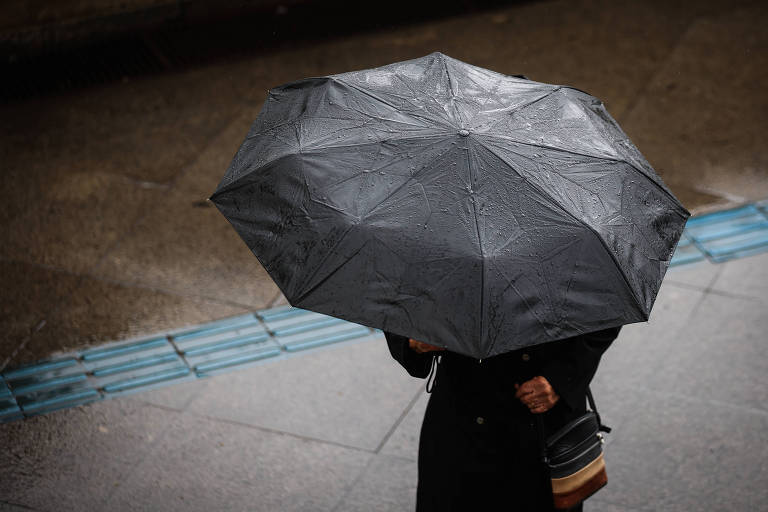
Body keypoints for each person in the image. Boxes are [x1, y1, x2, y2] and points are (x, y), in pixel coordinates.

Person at [384, 326, 620, 512]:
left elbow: (608, 303)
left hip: (540, 418)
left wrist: (560, 379)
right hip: (461, 414)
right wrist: (411, 340)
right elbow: (392, 289)